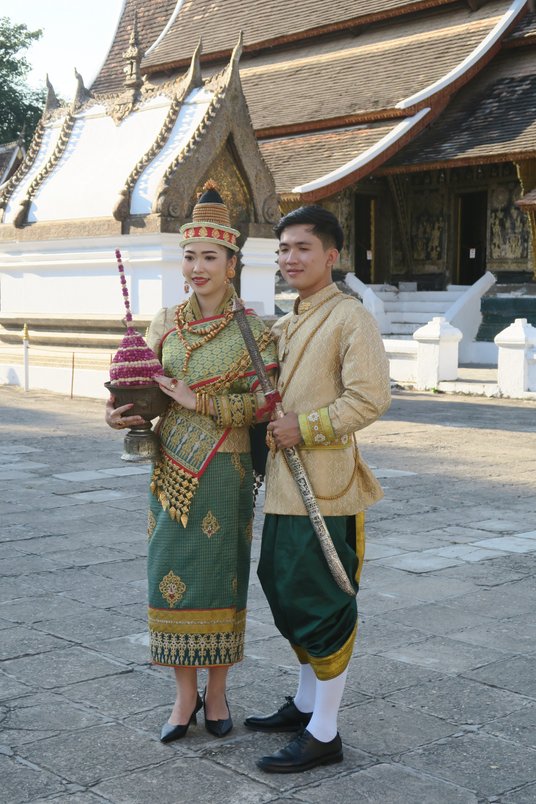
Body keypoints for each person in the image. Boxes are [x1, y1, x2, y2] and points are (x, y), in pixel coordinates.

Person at [105, 183, 277, 743]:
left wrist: (197, 400)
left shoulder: (255, 331)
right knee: (169, 575)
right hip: (170, 468)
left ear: (232, 264)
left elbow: (264, 406)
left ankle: (218, 693)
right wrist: (119, 414)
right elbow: (139, 387)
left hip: (226, 469)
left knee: (222, 579)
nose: (197, 268)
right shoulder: (163, 323)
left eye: (209, 257)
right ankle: (184, 697)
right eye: (190, 256)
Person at [244, 205, 391, 773]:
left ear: (331, 255)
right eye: (283, 248)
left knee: (320, 600)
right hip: (284, 485)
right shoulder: (287, 323)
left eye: (302, 247)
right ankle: (307, 704)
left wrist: (303, 427)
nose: (290, 258)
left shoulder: (350, 318)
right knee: (283, 590)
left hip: (326, 487)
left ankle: (325, 731)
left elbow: (370, 398)